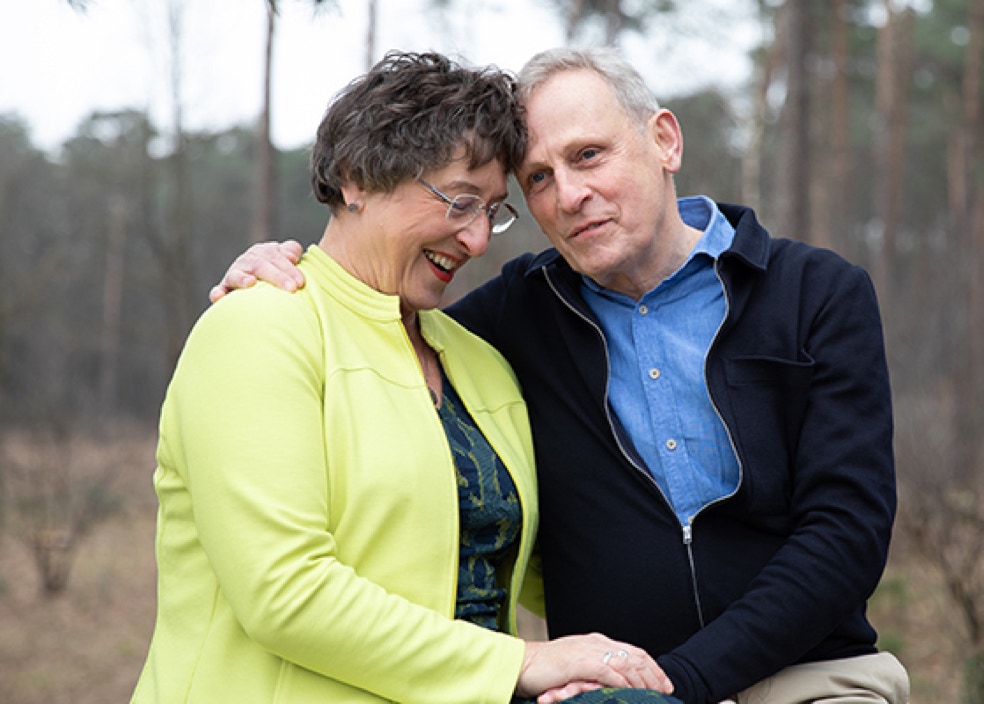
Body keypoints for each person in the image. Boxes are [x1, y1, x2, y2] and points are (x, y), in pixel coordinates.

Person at [211, 47, 910, 704]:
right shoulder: (514, 318)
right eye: (538, 179)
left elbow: (845, 532)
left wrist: (678, 684)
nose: (569, 195)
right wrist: (280, 263)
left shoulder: (813, 292)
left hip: (811, 676)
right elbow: (368, 306)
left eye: (588, 156)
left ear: (664, 141)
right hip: (605, 684)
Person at [132, 51, 678, 704]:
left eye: (494, 211)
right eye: (459, 202)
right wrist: (520, 662)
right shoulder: (259, 330)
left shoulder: (477, 360)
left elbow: (553, 566)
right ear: (356, 178)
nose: (477, 240)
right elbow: (285, 593)